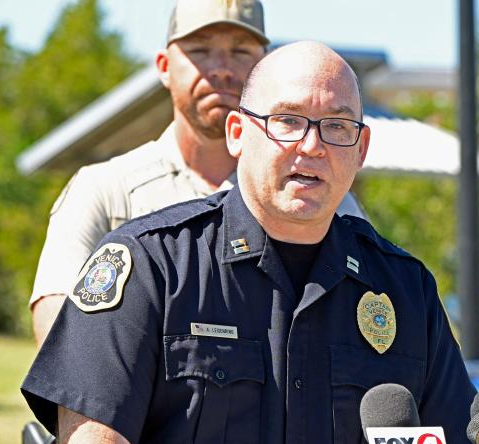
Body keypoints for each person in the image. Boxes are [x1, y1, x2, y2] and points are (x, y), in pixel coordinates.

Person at [21, 41, 479, 444]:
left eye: (337, 126)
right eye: (288, 121)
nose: (311, 146)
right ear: (239, 133)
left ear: (361, 147)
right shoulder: (152, 266)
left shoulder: (404, 291)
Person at [28, 0, 365, 346]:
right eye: (200, 50)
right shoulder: (105, 189)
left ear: (264, 65)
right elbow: (59, 335)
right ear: (164, 66)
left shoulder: (318, 195)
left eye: (240, 51)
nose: (221, 69)